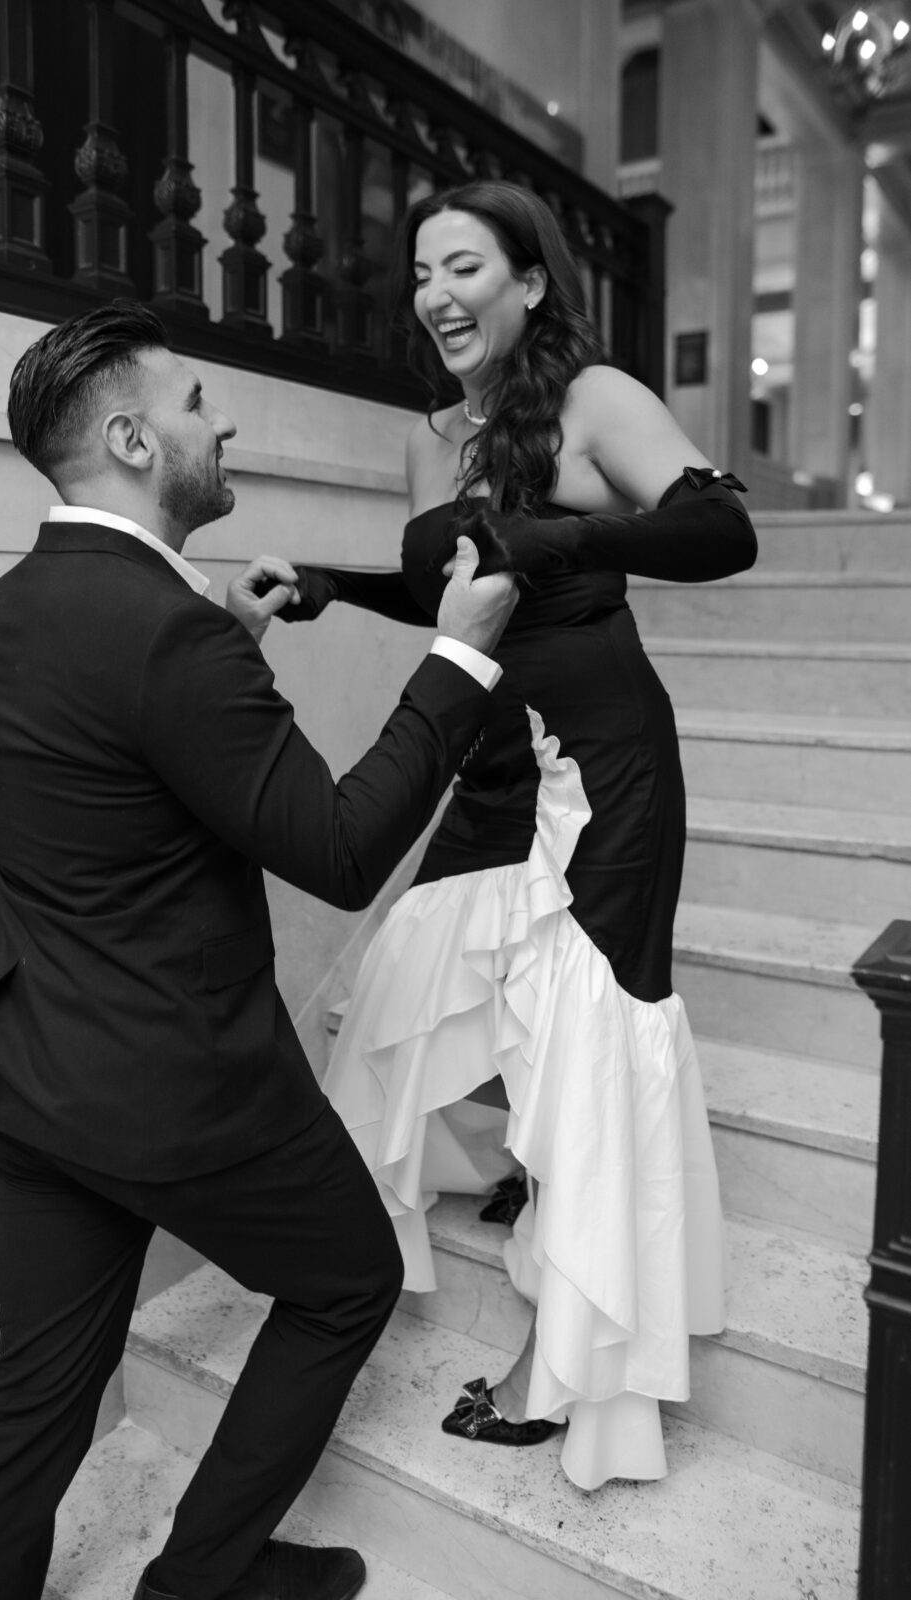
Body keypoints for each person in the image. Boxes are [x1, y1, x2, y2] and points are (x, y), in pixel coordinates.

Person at [0, 299, 517, 1600]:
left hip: (34, 1069)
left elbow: (117, 774)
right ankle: (199, 1584)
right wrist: (457, 662)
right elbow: (341, 849)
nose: (224, 418)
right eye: (195, 402)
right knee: (348, 1281)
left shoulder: (11, 609)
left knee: (34, 1402)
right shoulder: (166, 633)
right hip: (175, 1088)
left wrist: (227, 642)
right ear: (132, 442)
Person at [275, 181, 757, 1490]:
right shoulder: (434, 433)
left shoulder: (593, 399)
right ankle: (523, 1169)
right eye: (421, 270)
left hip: (598, 768)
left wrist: (564, 533)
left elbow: (722, 526)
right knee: (405, 987)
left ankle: (566, 1377)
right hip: (489, 762)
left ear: (529, 283)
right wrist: (330, 588)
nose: (434, 293)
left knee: (587, 1043)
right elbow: (452, 584)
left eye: (464, 267)